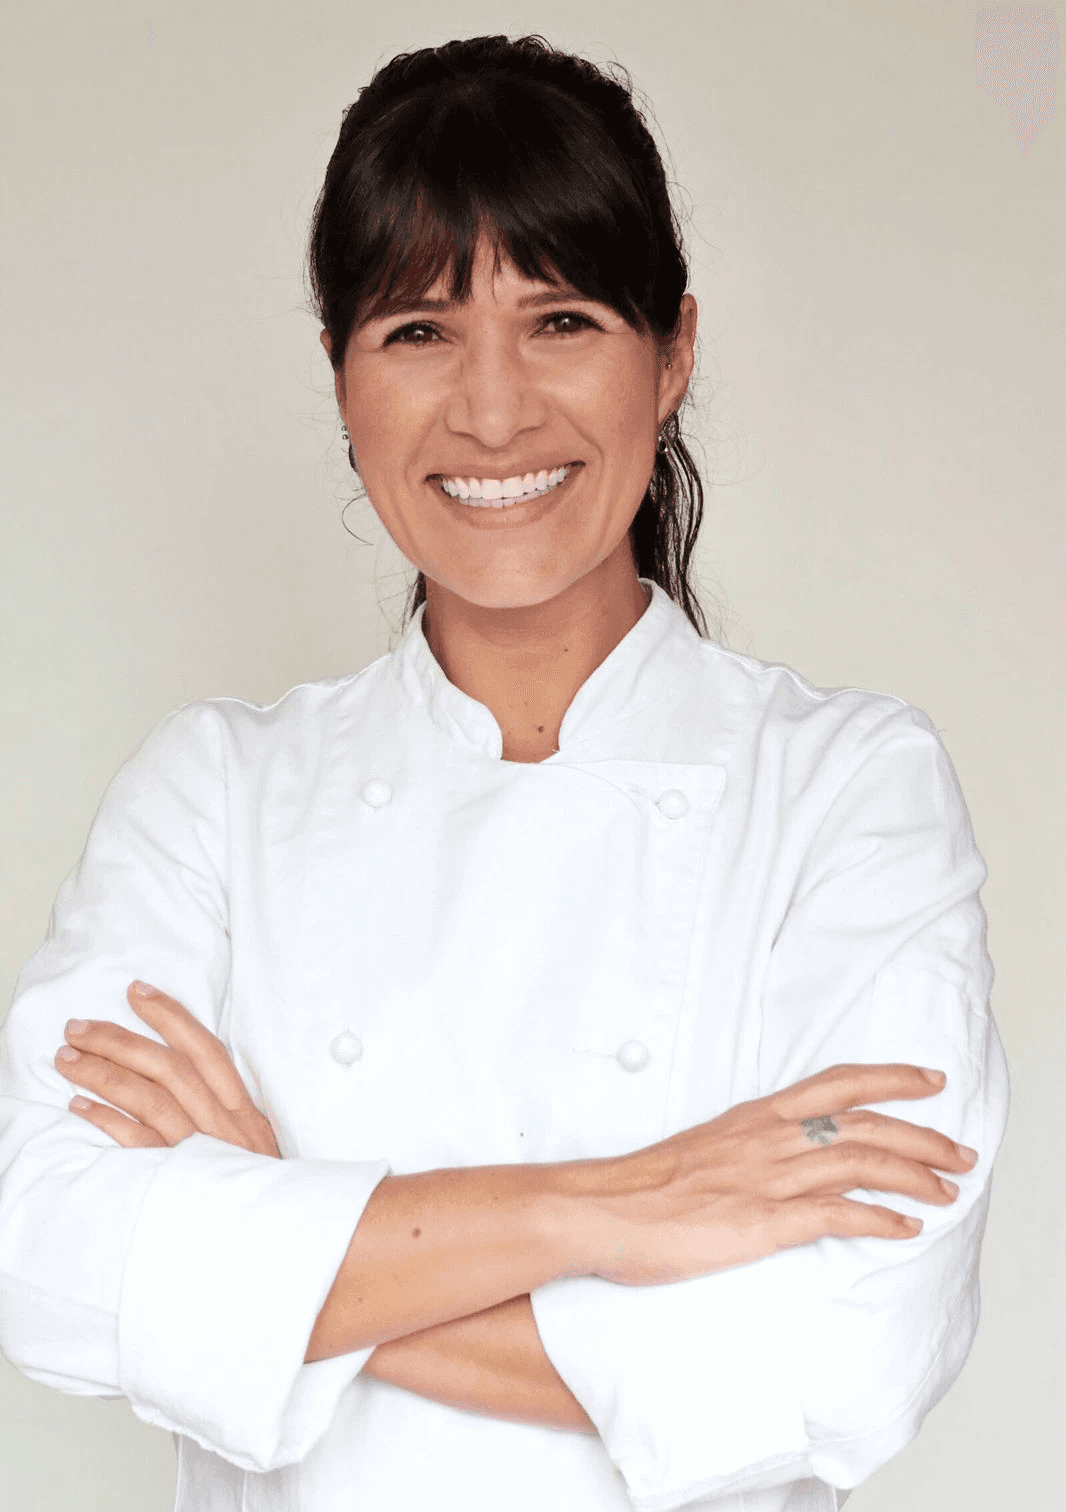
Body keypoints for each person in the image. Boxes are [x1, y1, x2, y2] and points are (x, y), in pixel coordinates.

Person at [0, 33, 1007, 1512]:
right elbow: (47, 1260)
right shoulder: (212, 793)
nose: (490, 413)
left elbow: (842, 1357)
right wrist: (622, 1206)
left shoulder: (846, 791)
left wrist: (265, 1240)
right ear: (340, 377)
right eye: (418, 330)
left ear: (671, 352)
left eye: (562, 321)